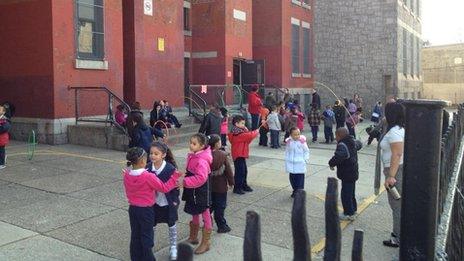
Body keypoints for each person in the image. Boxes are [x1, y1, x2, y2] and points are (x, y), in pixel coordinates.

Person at [123, 147, 182, 261]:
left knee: (135, 235)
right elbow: (164, 188)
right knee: (147, 237)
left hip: (133, 209)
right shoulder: (148, 176)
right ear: (142, 162)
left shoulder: (127, 175)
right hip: (146, 211)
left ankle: (135, 258)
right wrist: (174, 177)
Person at [146, 142, 180, 260]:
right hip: (153, 203)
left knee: (172, 225)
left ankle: (173, 247)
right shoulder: (148, 167)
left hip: (168, 203)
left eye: (156, 153)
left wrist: (175, 201)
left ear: (163, 155)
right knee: (151, 225)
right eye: (151, 153)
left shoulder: (170, 168)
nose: (153, 156)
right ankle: (149, 246)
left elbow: (176, 187)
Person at [182, 133, 213, 254]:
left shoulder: (202, 160)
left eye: (194, 144)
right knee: (194, 210)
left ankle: (206, 242)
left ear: (202, 146)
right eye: (190, 142)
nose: (191, 145)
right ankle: (194, 236)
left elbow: (201, 178)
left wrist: (184, 181)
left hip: (201, 190)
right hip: (193, 188)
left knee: (205, 212)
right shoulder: (194, 155)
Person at [381, 102, 405, 248]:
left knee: (396, 205)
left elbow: (397, 153)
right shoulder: (398, 128)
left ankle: (397, 237)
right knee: (397, 204)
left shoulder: (395, 131)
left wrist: (391, 176)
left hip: (395, 171)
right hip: (396, 169)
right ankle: (399, 234)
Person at [328, 127, 362, 221]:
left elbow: (339, 156)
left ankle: (349, 213)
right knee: (351, 192)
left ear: (339, 135)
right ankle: (353, 209)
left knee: (346, 194)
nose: (336, 138)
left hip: (347, 173)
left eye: (336, 136)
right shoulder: (352, 141)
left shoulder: (343, 145)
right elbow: (359, 144)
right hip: (353, 172)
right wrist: (359, 141)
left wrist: (331, 163)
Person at [208, 135, 234, 233]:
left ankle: (207, 221)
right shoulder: (222, 155)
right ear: (217, 144)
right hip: (220, 186)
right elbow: (228, 170)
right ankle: (221, 225)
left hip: (209, 185)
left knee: (210, 205)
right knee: (220, 206)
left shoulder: (205, 155)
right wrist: (231, 182)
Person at [228, 115, 259, 194]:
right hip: (238, 154)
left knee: (244, 171)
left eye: (244, 124)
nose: (244, 125)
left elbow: (248, 139)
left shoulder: (240, 131)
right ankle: (237, 188)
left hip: (242, 154)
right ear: (236, 124)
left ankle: (243, 185)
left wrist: (247, 129)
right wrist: (256, 131)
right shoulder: (236, 133)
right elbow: (250, 135)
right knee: (239, 172)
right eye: (242, 123)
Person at [285, 127, 310, 198]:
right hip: (291, 164)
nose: (297, 136)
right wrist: (287, 159)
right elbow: (287, 151)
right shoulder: (289, 142)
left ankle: (299, 192)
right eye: (295, 134)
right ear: (291, 135)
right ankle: (295, 190)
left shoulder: (302, 142)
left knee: (300, 179)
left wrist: (305, 159)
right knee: (292, 179)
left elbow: (306, 151)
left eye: (298, 134)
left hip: (300, 163)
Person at [0, 105, 11, 170]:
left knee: (1, 151)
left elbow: (4, 128)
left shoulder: (5, 120)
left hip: (2, 139)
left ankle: (2, 163)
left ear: (3, 112)